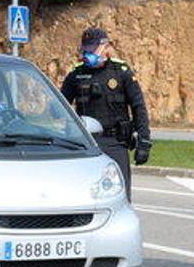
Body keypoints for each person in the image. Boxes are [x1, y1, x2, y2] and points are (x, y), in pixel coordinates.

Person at [60, 27, 151, 199]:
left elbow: (138, 107)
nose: (88, 52)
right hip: (86, 144)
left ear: (105, 46)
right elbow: (61, 107)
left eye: (92, 48)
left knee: (120, 196)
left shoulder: (121, 72)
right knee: (85, 194)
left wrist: (144, 141)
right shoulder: (77, 73)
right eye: (86, 48)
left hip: (115, 142)